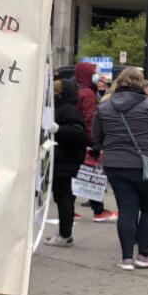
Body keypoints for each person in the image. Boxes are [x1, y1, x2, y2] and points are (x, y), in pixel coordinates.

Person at [91, 67, 148, 271]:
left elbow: (95, 138)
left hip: (116, 164)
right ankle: (144, 255)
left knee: (127, 211)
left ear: (119, 82)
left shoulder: (104, 107)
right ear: (140, 83)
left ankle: (126, 258)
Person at [45, 78, 87, 247]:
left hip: (66, 159)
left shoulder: (67, 109)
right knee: (65, 197)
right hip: (66, 158)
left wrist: (58, 129)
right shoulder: (65, 108)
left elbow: (78, 134)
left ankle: (64, 234)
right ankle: (65, 233)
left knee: (63, 197)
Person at [73, 60, 115, 222]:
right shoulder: (88, 94)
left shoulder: (77, 90)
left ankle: (73, 208)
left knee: (78, 174)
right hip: (87, 140)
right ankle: (98, 210)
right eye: (94, 72)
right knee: (91, 174)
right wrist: (95, 141)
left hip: (76, 138)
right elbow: (90, 119)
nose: (96, 76)